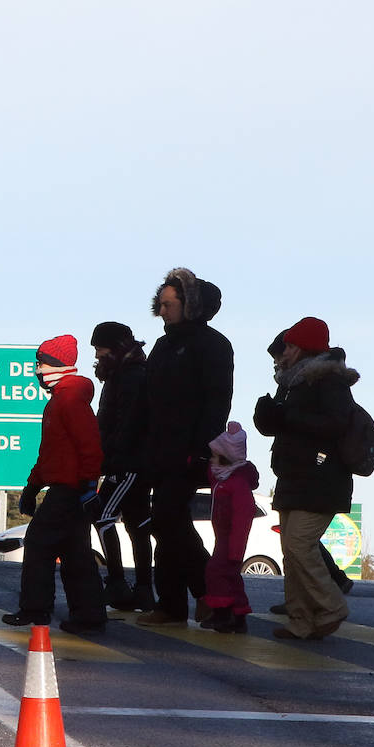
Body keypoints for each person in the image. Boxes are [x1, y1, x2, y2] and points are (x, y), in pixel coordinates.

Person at [138, 268, 232, 628]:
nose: (162, 311)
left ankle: (208, 594)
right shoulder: (163, 346)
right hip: (158, 451)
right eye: (159, 304)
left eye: (169, 304)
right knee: (167, 523)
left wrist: (203, 448)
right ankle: (173, 604)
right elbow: (146, 401)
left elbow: (216, 401)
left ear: (189, 306)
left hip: (190, 452)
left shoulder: (213, 345)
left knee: (166, 519)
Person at [253, 317, 353, 640]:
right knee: (290, 549)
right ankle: (301, 620)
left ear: (306, 348)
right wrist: (266, 418)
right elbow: (286, 426)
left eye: (293, 345)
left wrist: (287, 417)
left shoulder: (329, 380)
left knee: (299, 544)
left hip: (322, 478)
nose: (287, 351)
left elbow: (335, 424)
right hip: (294, 475)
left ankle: (330, 606)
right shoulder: (291, 381)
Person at [3, 335, 107, 635]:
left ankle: (35, 610)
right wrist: (32, 487)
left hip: (69, 490)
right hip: (69, 488)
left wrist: (89, 485)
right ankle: (89, 614)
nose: (37, 370)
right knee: (76, 552)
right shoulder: (61, 399)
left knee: (38, 544)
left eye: (41, 363)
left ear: (58, 365)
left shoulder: (70, 400)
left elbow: (90, 446)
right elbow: (49, 454)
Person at [88, 321, 154, 610]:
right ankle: (142, 589)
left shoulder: (130, 377)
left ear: (114, 348)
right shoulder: (123, 373)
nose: (97, 355)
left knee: (102, 515)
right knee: (138, 524)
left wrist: (109, 459)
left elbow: (126, 423)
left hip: (127, 463)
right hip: (131, 461)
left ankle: (118, 582)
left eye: (99, 348)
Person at [202, 422, 258, 634]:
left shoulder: (237, 484)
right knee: (231, 576)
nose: (211, 461)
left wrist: (236, 549)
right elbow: (210, 473)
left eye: (215, 456)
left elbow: (243, 519)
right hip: (223, 538)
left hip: (230, 540)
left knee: (216, 571)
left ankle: (223, 613)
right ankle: (238, 615)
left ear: (226, 458)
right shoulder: (222, 478)